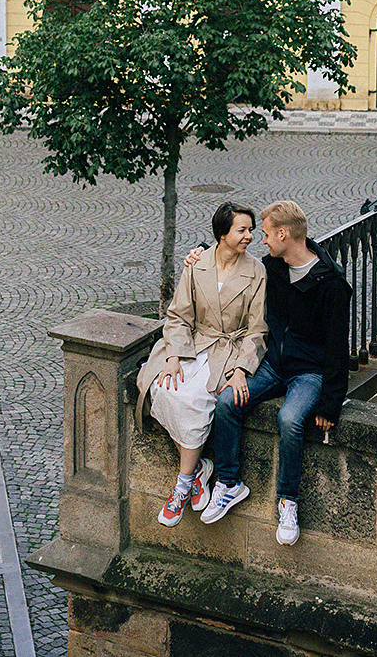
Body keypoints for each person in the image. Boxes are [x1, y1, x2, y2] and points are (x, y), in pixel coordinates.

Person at [195, 199, 351, 547]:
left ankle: (288, 501)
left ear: (284, 234)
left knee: (289, 419)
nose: (261, 240)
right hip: (273, 364)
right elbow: (234, 262)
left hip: (309, 373)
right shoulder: (273, 266)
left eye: (265, 234)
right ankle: (229, 482)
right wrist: (201, 253)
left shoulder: (332, 285)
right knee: (226, 402)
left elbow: (339, 348)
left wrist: (330, 404)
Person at [134, 202, 268, 527]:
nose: (250, 236)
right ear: (222, 234)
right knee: (161, 388)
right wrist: (174, 356)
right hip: (195, 345)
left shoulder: (256, 272)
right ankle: (197, 471)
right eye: (242, 230)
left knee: (194, 401)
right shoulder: (197, 265)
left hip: (229, 350)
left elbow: (258, 330)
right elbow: (179, 316)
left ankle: (182, 485)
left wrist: (240, 370)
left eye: (251, 229)